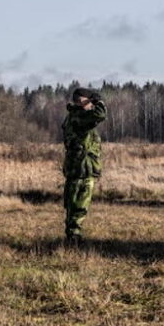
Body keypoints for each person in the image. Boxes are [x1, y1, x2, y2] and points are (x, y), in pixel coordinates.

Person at [62, 87, 107, 243]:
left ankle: (72, 235)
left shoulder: (73, 117)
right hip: (81, 167)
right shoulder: (79, 117)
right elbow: (100, 114)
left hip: (78, 166)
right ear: (82, 101)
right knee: (78, 204)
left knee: (73, 203)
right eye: (89, 102)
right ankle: (74, 236)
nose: (91, 106)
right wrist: (99, 101)